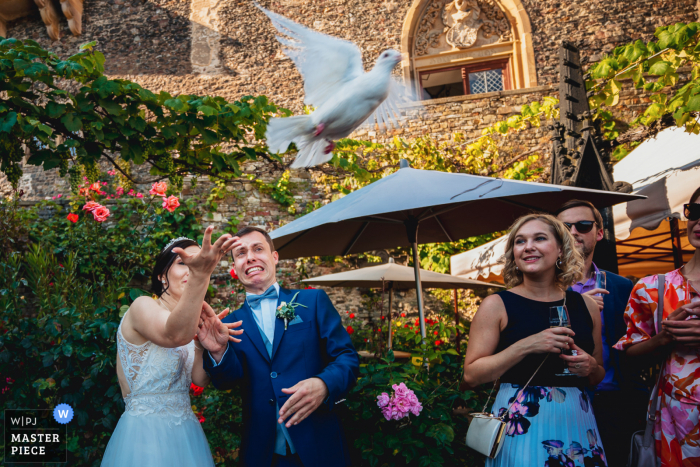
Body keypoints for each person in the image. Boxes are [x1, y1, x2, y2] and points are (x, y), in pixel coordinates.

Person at [197, 226, 359, 467]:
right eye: (240, 253)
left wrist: (324, 384)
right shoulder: (228, 324)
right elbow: (227, 381)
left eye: (258, 249)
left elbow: (347, 358)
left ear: (274, 257)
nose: (250, 257)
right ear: (235, 267)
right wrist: (217, 351)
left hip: (319, 444)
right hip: (263, 454)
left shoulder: (312, 301)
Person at [462, 213, 607, 467]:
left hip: (576, 421)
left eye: (539, 238)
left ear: (561, 249)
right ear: (514, 254)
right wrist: (527, 345)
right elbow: (472, 375)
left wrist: (591, 368)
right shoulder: (496, 305)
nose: (528, 246)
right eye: (520, 241)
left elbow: (597, 374)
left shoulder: (586, 306)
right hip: (521, 424)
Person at [101, 227, 243, 467]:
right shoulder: (142, 306)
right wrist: (200, 274)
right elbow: (173, 334)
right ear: (161, 275)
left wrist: (207, 345)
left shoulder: (192, 320)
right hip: (144, 436)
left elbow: (199, 379)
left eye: (199, 264)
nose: (193, 269)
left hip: (185, 434)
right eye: (183, 263)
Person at [613, 186, 700, 466]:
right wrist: (663, 339)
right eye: (696, 212)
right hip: (675, 428)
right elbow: (627, 360)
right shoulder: (652, 288)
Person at [555, 200, 641, 465]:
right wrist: (578, 307)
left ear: (599, 232)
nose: (573, 231)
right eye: (564, 226)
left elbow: (633, 340)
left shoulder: (620, 285)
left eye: (582, 225)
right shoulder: (545, 286)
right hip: (564, 401)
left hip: (614, 399)